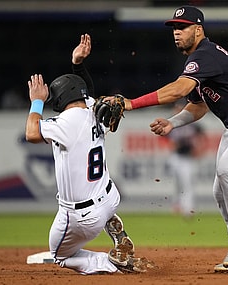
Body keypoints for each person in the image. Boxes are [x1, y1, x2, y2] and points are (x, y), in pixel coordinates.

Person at [114, 6, 228, 272]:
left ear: (198, 29)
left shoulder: (205, 54)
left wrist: (131, 103)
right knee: (220, 189)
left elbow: (179, 89)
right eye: (174, 28)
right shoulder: (200, 61)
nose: (176, 33)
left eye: (182, 27)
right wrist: (172, 123)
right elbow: (198, 105)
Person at [25, 34, 154, 274]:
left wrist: (36, 102)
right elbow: (88, 93)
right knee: (102, 198)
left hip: (82, 216)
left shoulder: (66, 121)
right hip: (109, 198)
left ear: (62, 97)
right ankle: (114, 227)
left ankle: (112, 263)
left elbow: (32, 133)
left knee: (60, 255)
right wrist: (78, 65)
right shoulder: (95, 110)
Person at [167, 100, 206, 217]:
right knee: (177, 184)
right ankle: (177, 205)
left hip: (188, 158)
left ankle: (188, 209)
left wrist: (200, 149)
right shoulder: (171, 123)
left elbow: (202, 137)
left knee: (187, 183)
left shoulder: (193, 124)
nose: (177, 110)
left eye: (180, 108)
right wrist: (172, 145)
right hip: (175, 156)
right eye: (177, 108)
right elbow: (165, 139)